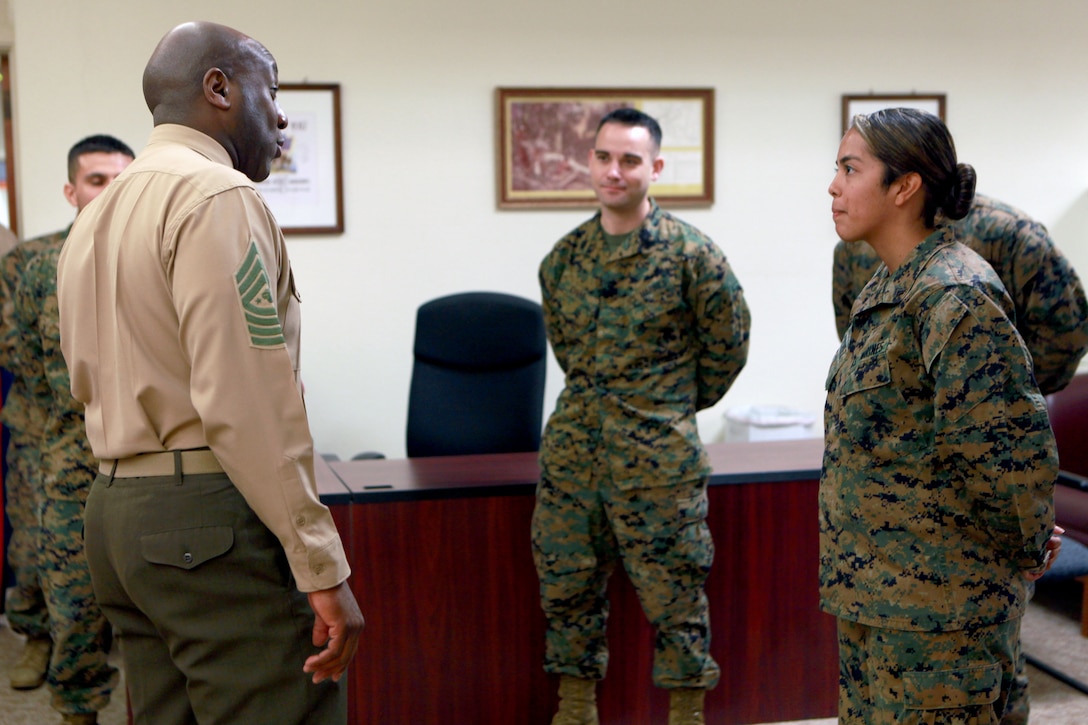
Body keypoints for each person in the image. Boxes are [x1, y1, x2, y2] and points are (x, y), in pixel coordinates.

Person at [55, 21, 364, 724]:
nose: (283, 113)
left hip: (116, 518)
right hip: (207, 523)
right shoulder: (217, 197)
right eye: (273, 89)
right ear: (218, 88)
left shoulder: (95, 217)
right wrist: (322, 564)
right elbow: (247, 401)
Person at [823, 107, 1062, 724]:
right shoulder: (886, 287)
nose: (834, 185)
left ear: (904, 187)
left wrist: (1026, 545)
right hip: (880, 596)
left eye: (851, 169)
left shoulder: (952, 294)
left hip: (941, 613)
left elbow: (1006, 453)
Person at [531, 107, 750, 725]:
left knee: (677, 596)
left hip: (659, 462)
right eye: (604, 157)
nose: (614, 171)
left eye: (630, 160)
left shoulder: (692, 258)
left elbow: (726, 351)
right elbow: (571, 354)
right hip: (575, 456)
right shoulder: (563, 261)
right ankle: (575, 710)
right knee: (566, 588)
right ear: (590, 163)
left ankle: (685, 714)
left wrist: (666, 408)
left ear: (655, 167)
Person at [0, 136, 132, 725]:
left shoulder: (154, 253)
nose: (110, 191)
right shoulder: (33, 265)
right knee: (55, 576)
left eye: (121, 180)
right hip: (61, 450)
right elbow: (21, 356)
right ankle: (54, 666)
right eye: (98, 180)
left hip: (144, 454)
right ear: (72, 190)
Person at [831, 194, 1088, 395]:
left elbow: (1067, 338)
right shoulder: (855, 245)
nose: (835, 185)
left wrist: (994, 388)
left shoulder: (1012, 234)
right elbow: (855, 344)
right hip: (896, 445)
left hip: (989, 437)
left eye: (852, 169)